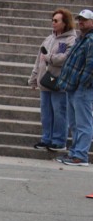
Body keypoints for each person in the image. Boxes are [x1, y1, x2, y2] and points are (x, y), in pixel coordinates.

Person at [28, 8, 76, 152]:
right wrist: (34, 78)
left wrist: (49, 57)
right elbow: (39, 60)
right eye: (52, 20)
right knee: (46, 113)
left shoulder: (71, 39)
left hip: (59, 83)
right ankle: (46, 138)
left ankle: (59, 141)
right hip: (45, 82)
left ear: (65, 23)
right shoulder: (49, 39)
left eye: (56, 20)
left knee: (59, 112)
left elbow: (66, 58)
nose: (53, 23)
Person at [54, 9, 93, 167]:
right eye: (79, 19)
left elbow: (91, 65)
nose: (81, 22)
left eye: (85, 19)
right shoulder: (81, 38)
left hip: (82, 88)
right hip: (73, 87)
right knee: (75, 123)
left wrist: (82, 83)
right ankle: (75, 152)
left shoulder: (91, 40)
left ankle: (81, 155)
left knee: (83, 123)